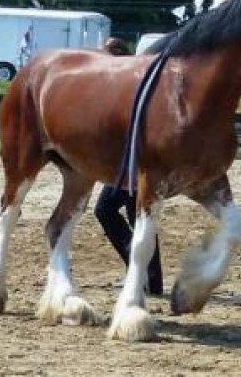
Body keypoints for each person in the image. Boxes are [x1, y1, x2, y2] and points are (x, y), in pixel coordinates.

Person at [94, 36, 163, 296]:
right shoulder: (135, 82)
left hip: (129, 164)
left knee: (106, 211)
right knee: (140, 218)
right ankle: (152, 281)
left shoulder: (123, 84)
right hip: (135, 162)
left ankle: (139, 269)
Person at [94, 185, 163, 295]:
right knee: (138, 217)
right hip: (129, 171)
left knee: (106, 209)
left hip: (131, 171)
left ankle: (146, 275)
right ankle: (148, 277)